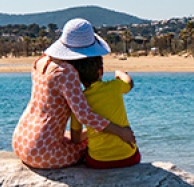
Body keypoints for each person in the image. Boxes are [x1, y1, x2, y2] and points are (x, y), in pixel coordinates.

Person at [12, 18, 136, 169]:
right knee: (89, 147)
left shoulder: (41, 61)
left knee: (72, 137)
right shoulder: (66, 72)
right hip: (42, 152)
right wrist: (121, 132)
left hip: (21, 140)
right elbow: (85, 115)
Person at [67, 56, 141, 168]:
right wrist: (120, 73)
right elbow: (129, 83)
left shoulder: (79, 101)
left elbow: (76, 139)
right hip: (129, 158)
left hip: (98, 161)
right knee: (133, 150)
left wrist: (94, 130)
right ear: (101, 71)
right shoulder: (114, 86)